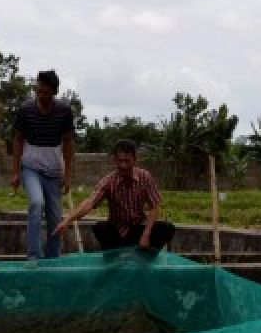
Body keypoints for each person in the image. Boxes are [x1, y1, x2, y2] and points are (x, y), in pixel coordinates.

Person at [53, 138, 175, 252]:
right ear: (114, 160)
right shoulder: (108, 181)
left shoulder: (145, 177)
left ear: (135, 159)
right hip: (116, 230)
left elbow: (154, 206)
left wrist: (146, 234)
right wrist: (68, 220)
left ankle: (144, 252)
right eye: (120, 161)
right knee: (99, 228)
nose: (123, 166)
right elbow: (90, 202)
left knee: (167, 228)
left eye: (127, 161)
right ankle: (118, 253)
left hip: (137, 228)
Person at [11, 69, 75, 261]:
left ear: (54, 92)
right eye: (38, 90)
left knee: (55, 217)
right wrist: (15, 172)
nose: (40, 95)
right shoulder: (26, 110)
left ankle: (52, 259)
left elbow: (69, 144)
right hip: (31, 167)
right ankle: (33, 257)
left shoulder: (64, 112)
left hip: (54, 170)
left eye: (45, 92)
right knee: (37, 203)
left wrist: (68, 175)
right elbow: (17, 140)